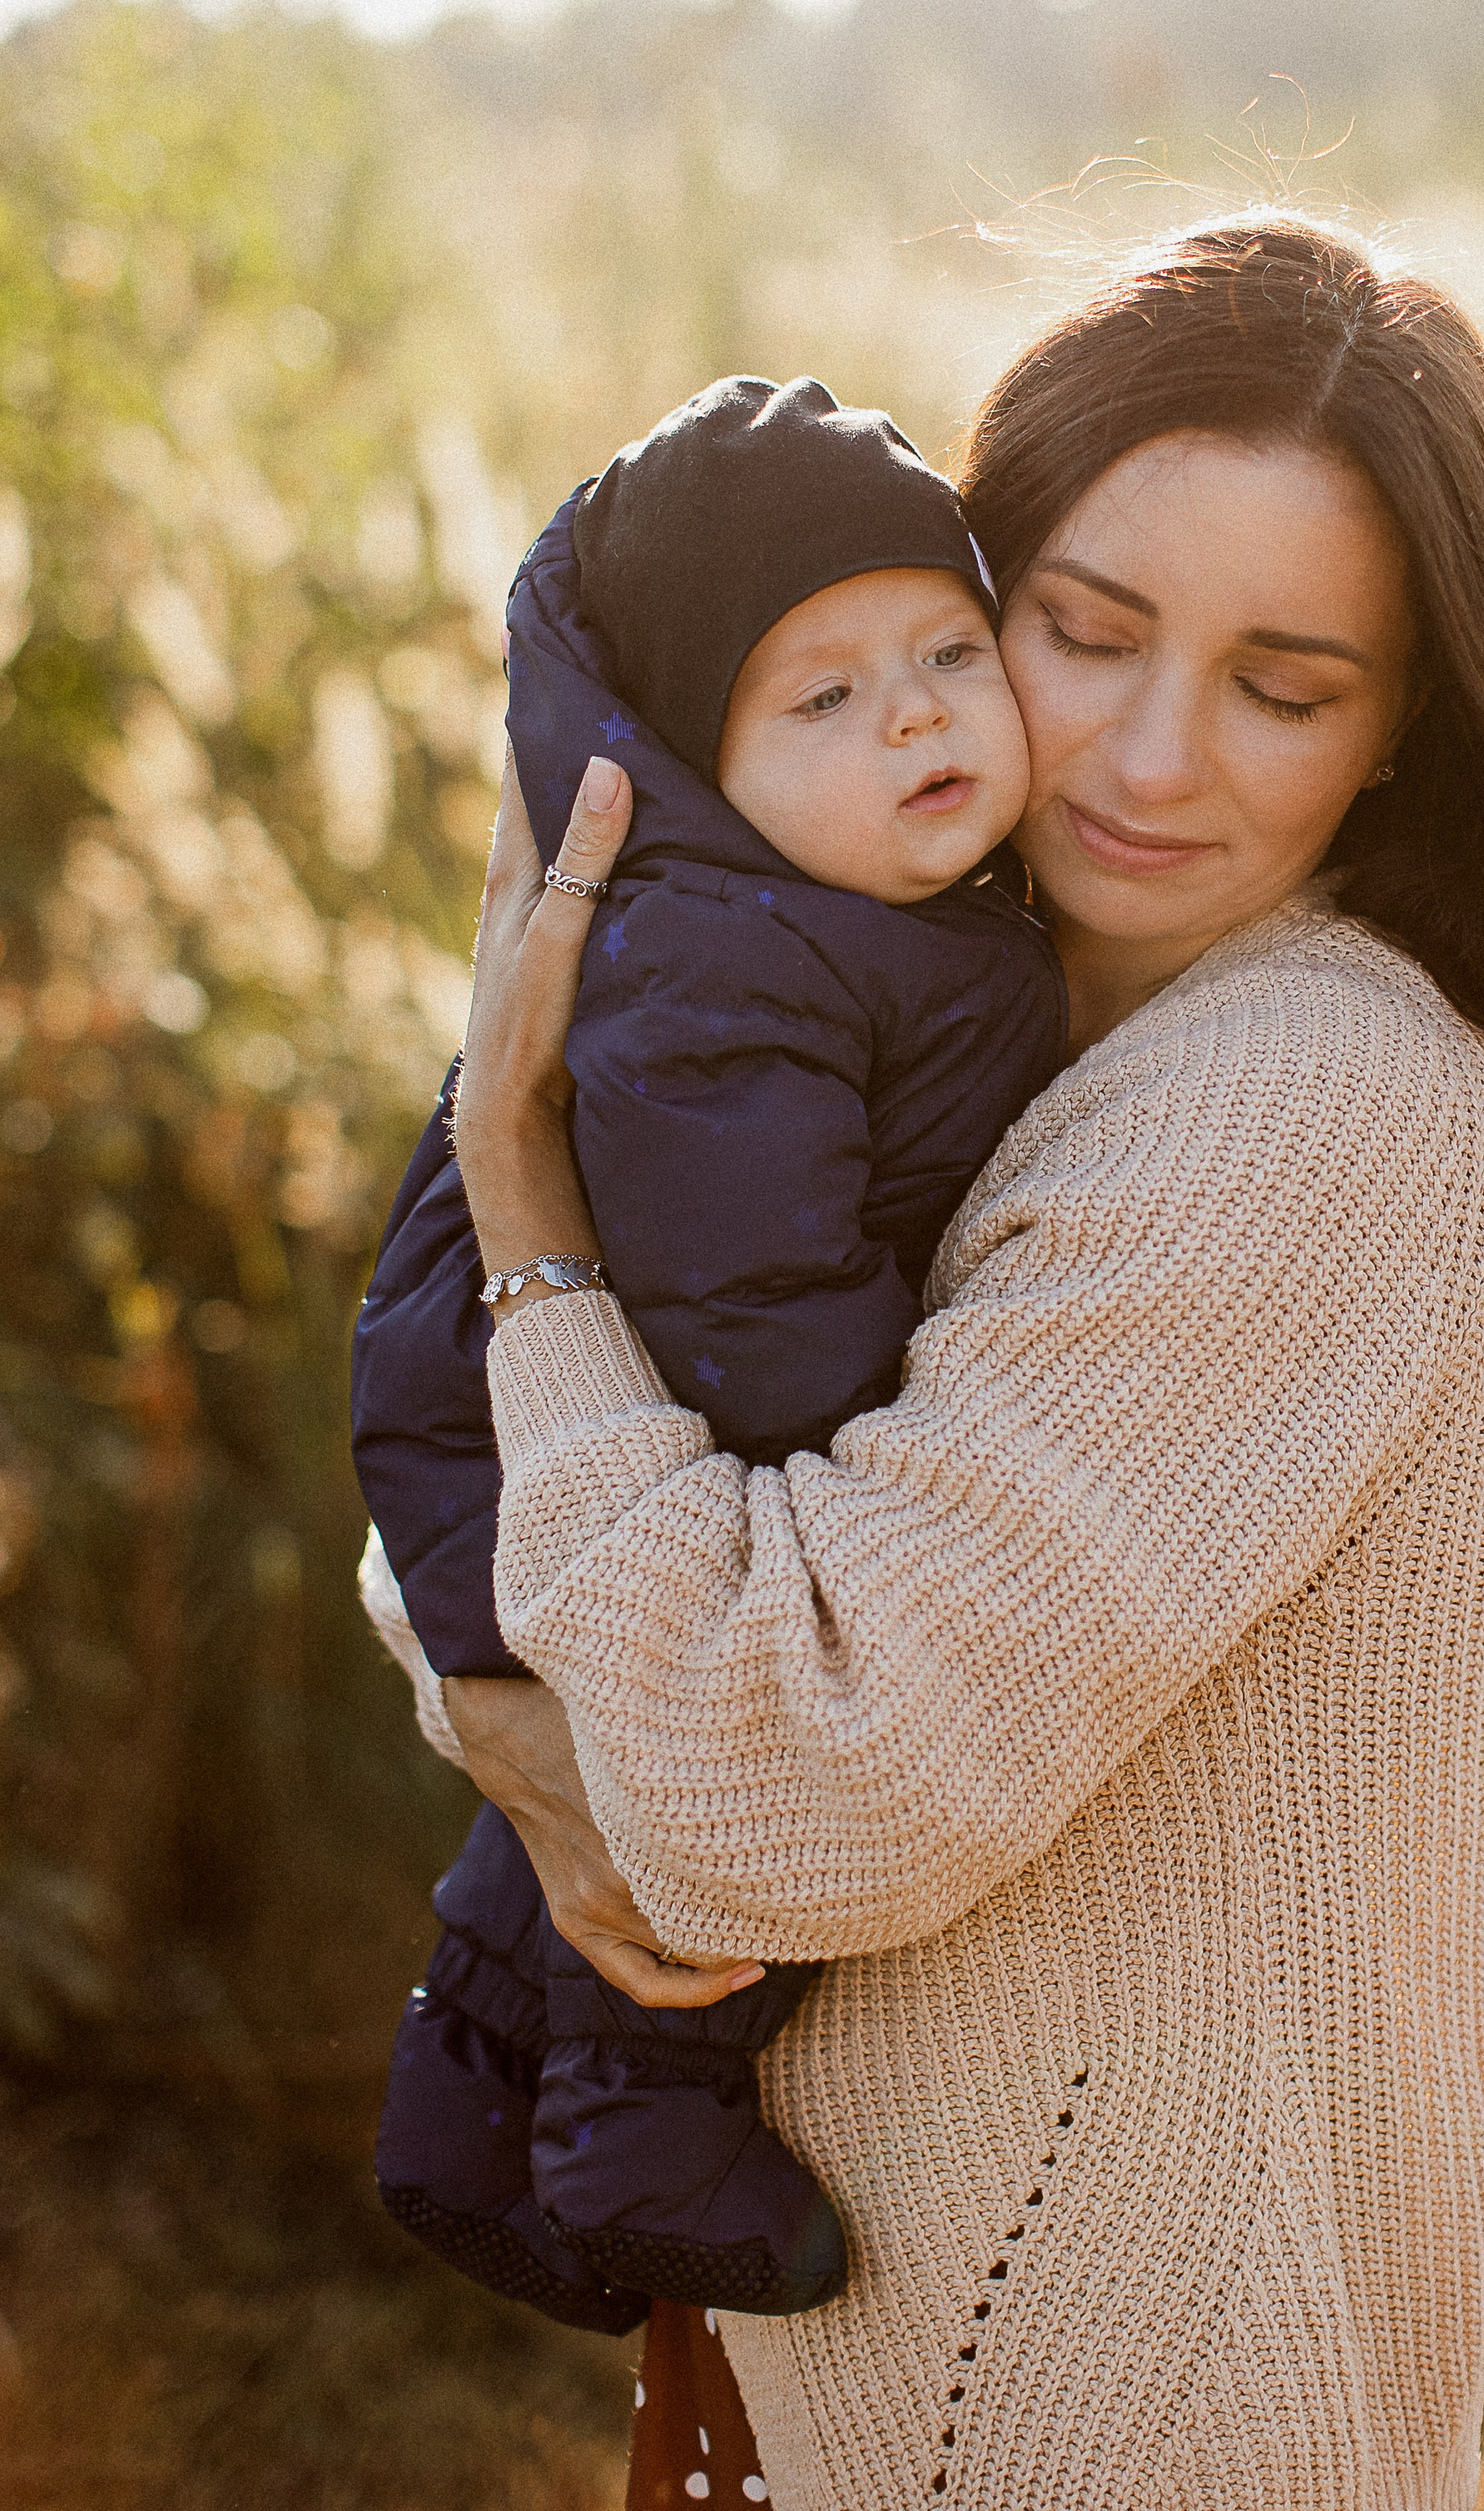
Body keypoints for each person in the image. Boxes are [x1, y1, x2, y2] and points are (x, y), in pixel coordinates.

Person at [424, 221, 1484, 2511]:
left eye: (1286, 688)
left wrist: (523, 1200)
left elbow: (772, 1772)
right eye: (1082, 633)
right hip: (867, 2347)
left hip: (1112, 2416)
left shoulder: (1306, 1108)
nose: (1143, 753)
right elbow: (509, 1506)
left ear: (1408, 727)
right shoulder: (928, 1005)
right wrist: (502, 1703)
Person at [353, 379, 1064, 2331]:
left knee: (561, 1809)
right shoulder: (720, 959)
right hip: (562, 1430)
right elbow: (746, 1303)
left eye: (943, 650)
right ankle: (637, 2127)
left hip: (529, 1414)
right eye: (816, 700)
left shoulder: (839, 910)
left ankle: (462, 2100)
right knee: (674, 1791)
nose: (911, 716)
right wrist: (856, 1454)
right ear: (689, 762)